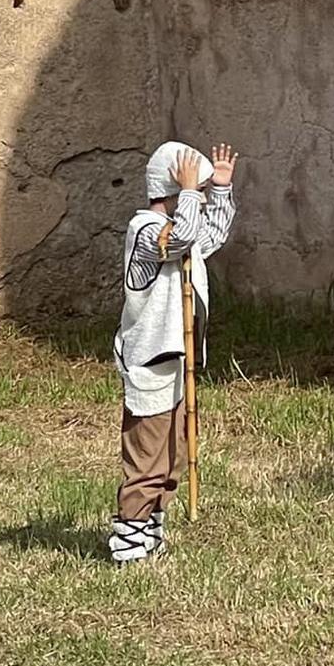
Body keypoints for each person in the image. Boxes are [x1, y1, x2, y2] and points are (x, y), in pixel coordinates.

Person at [108, 139, 237, 564]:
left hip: (176, 362)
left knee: (173, 456)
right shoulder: (143, 229)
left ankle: (151, 537)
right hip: (149, 362)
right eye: (190, 193)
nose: (196, 201)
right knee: (146, 457)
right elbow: (179, 240)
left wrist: (218, 190)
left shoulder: (179, 222)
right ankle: (128, 546)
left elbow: (208, 236)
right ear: (171, 190)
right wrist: (189, 193)